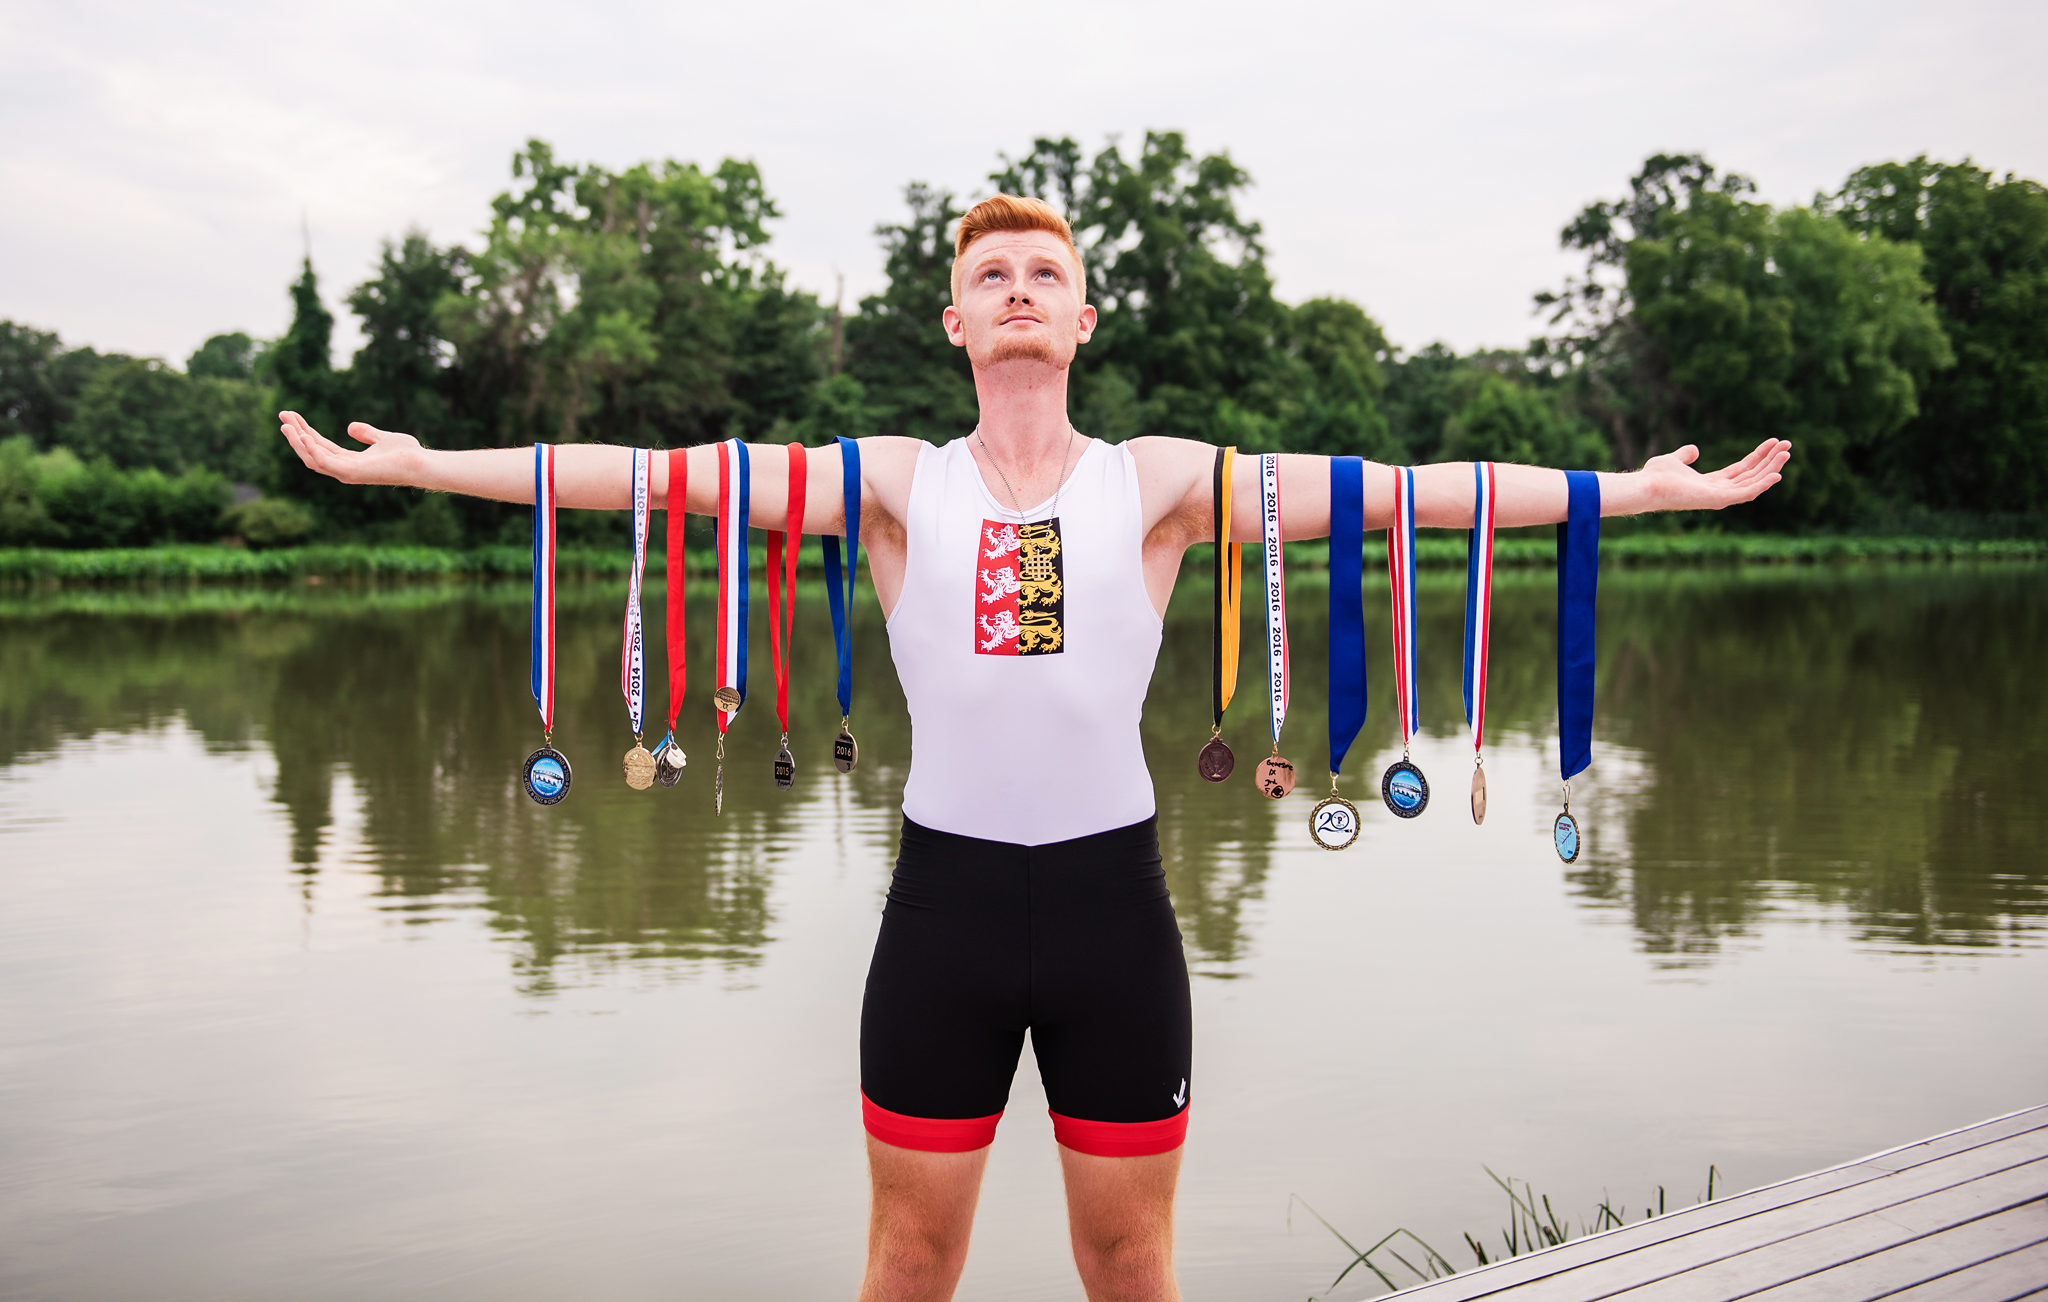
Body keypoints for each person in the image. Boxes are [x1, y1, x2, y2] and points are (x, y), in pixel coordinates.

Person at [279, 194, 1790, 1302]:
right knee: (909, 1257)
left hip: (1108, 918)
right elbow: (656, 481)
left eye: (1042, 274)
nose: (1015, 289)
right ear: (955, 320)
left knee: (1128, 1264)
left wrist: (1632, 494)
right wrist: (430, 469)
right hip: (940, 918)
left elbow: (1408, 491)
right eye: (987, 273)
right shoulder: (890, 484)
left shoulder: (1159, 483)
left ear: (1079, 320)